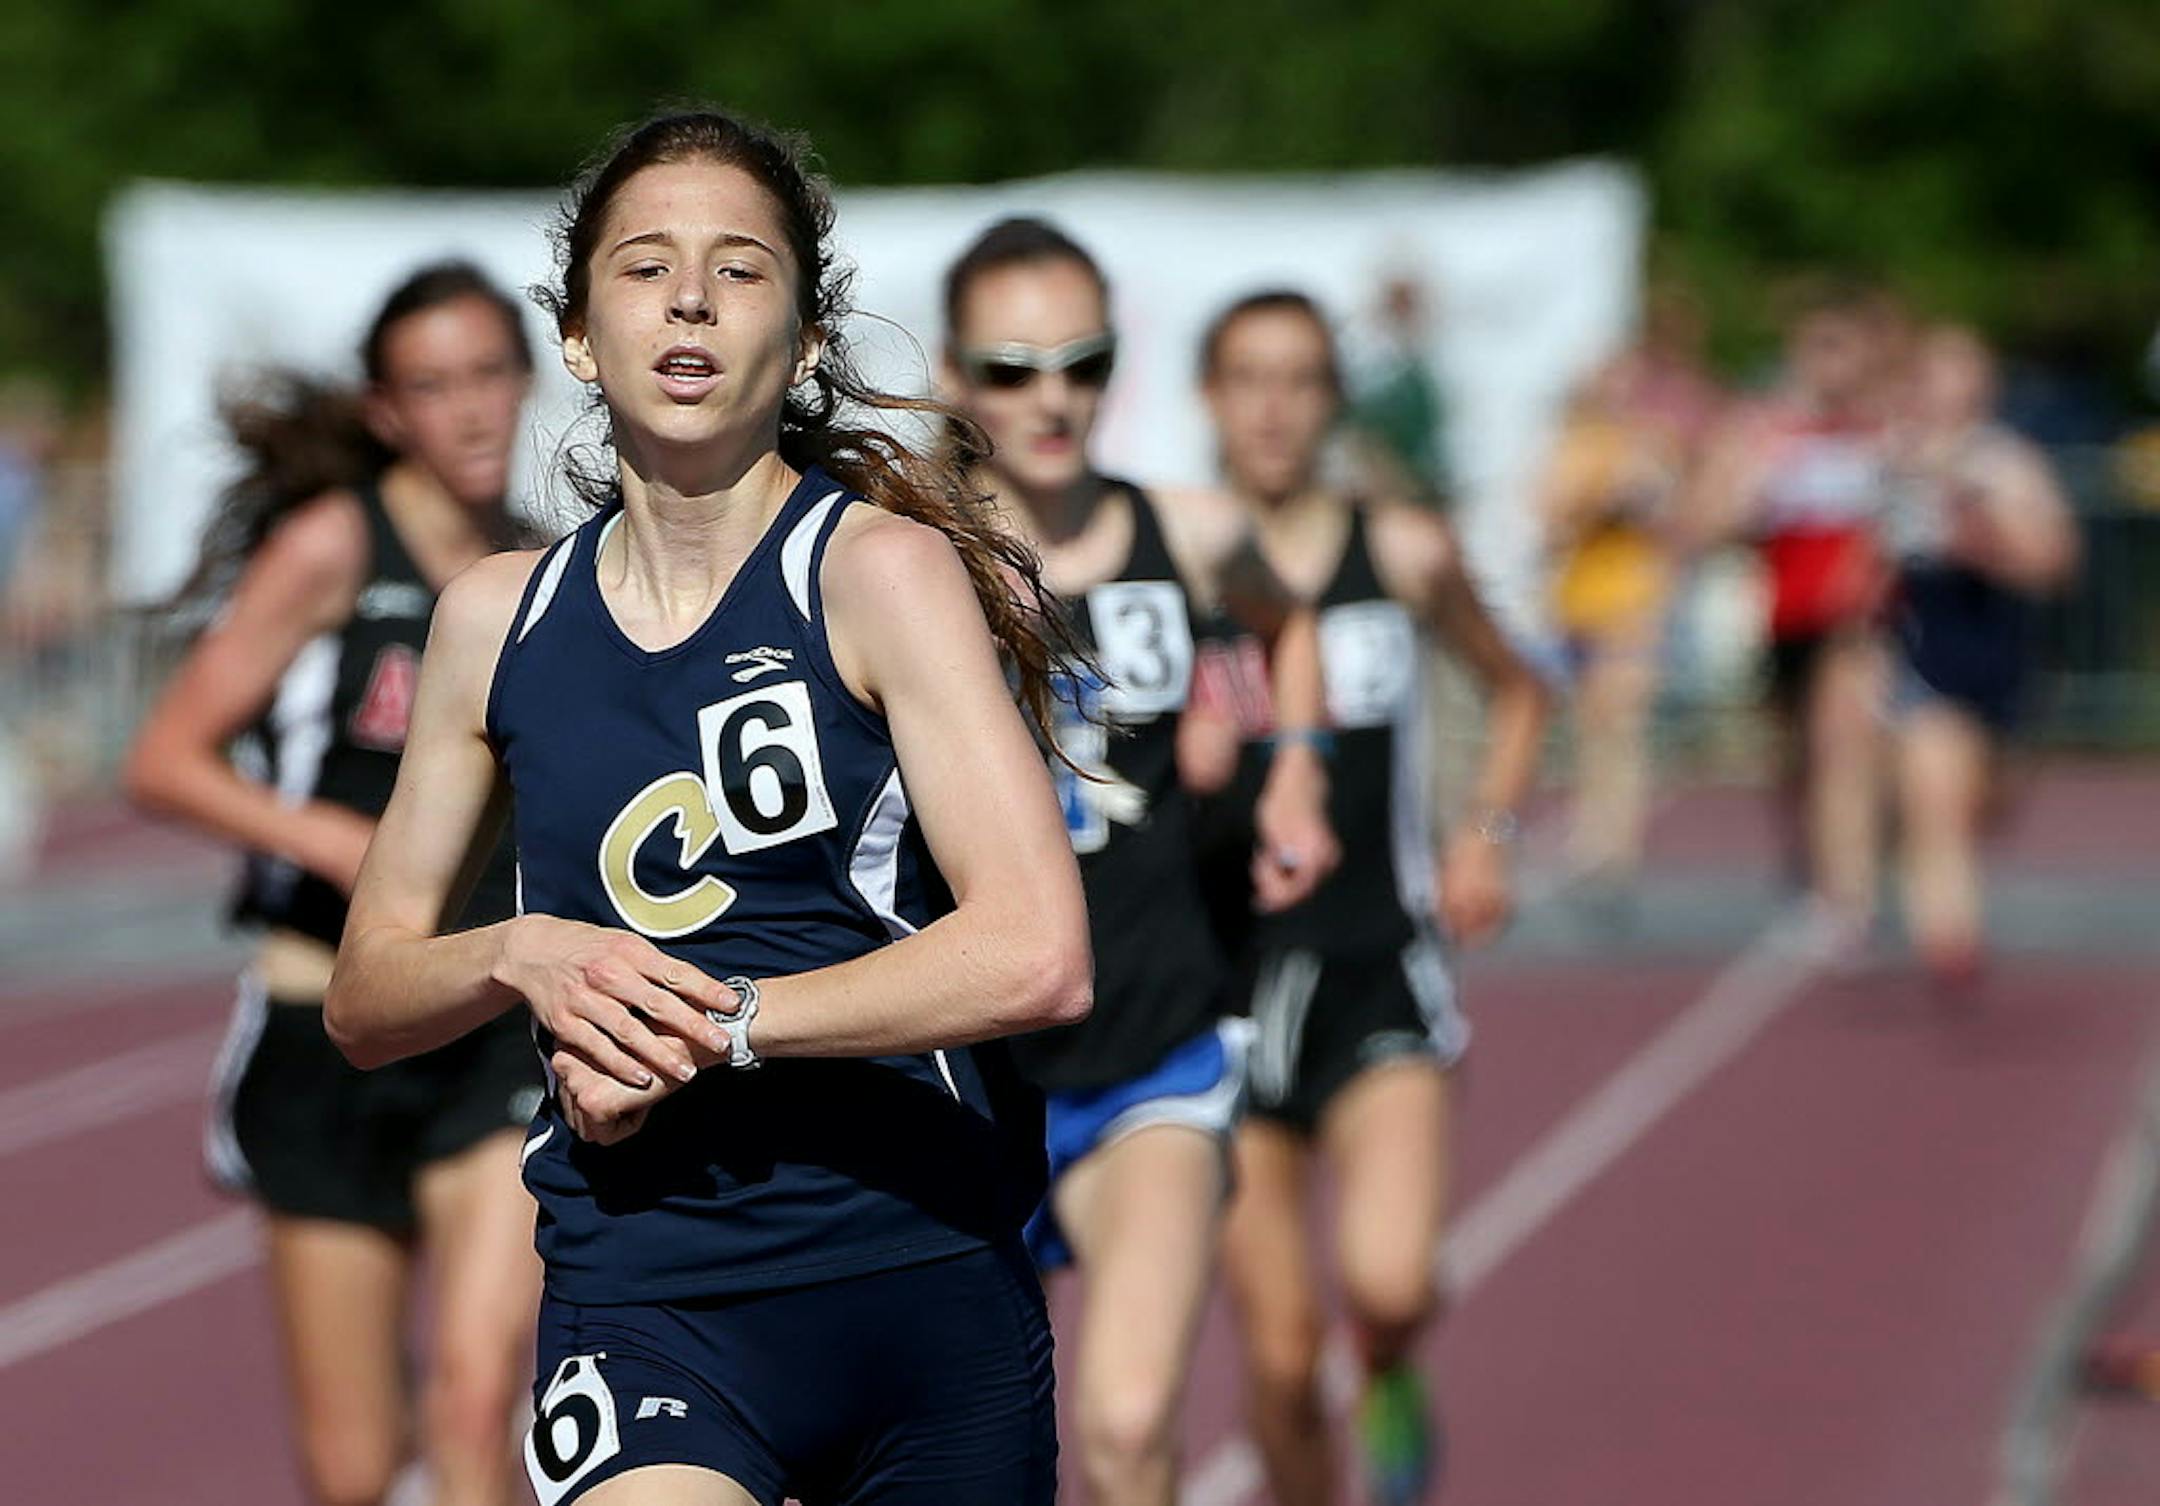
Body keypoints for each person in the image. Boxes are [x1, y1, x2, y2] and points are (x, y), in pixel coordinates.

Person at [324, 110, 1091, 1506]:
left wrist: (717, 1026)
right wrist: (521, 950)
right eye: (645, 267)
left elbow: (1038, 949)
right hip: (645, 1286)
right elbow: (367, 997)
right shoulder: (495, 619)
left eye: (740, 270)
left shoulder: (879, 575)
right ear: (574, 335)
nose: (690, 297)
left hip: (911, 1271)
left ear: (801, 346)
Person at [124, 262, 544, 1506]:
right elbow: (164, 758)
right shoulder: (331, 546)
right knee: (355, 1472)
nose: (468, 410)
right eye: (432, 385)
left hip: (482, 1029)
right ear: (386, 411)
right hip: (327, 1021)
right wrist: (335, 844)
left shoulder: (539, 565)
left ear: (527, 380)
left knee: (478, 1400)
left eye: (487, 376)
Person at [939, 221, 1337, 1506]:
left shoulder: (1196, 530)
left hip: (1149, 1046)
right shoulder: (904, 562)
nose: (1051, 397)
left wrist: (1296, 765)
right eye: (1011, 368)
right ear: (952, 376)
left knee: (1122, 1428)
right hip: (961, 1071)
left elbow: (1290, 627)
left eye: (1083, 360)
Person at [1183, 290, 1548, 1506]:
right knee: (1281, 1356)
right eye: (1249, 378)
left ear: (1333, 399)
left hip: (1377, 962)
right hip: (1224, 989)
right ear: (1209, 397)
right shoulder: (1177, 559)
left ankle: (1392, 1365)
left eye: (1300, 379)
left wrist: (1483, 840)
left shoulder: (1398, 552)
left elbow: (1518, 689)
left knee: (1387, 1285)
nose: (1275, 407)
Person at [1685, 281, 1897, 945]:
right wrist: (1749, 488)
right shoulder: (1763, 430)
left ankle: (1851, 897)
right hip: (1783, 615)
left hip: (1857, 622)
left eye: (1846, 349)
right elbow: (1702, 523)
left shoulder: (1885, 432)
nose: (1834, 364)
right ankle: (1811, 870)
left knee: (1846, 747)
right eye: (1820, 348)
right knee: (1795, 760)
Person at [1884, 325, 2077, 987]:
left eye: (1958, 373)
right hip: (1922, 646)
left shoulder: (2008, 462)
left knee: (1985, 803)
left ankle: (1944, 898)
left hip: (1998, 646)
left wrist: (1987, 533)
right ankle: (1949, 938)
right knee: (1932, 799)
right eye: (1933, 374)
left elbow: (2053, 563)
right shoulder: (1891, 461)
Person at [1539, 297, 1722, 897]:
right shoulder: (1578, 443)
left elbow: (1683, 514)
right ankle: (1596, 825)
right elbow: (1551, 513)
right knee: (1591, 722)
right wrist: (1603, 502)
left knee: (1621, 720)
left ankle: (1613, 839)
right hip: (1579, 598)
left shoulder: (1653, 445)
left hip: (1634, 598)